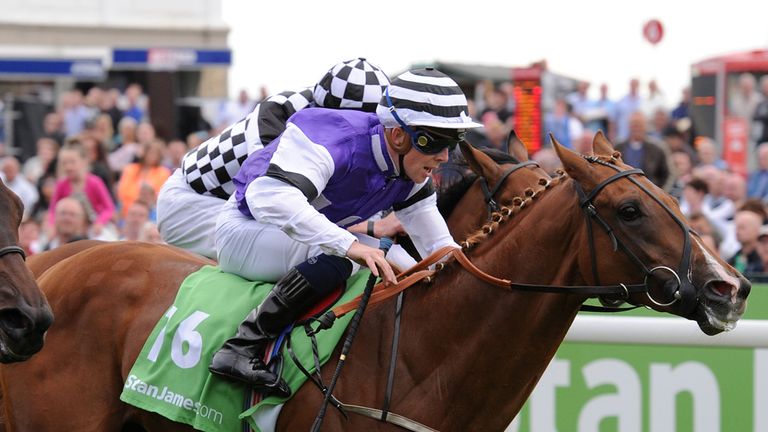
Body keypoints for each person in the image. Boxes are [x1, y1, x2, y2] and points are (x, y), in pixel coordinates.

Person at [208, 68, 481, 395]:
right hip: (245, 230)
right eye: (437, 141)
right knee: (348, 257)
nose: (444, 156)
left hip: (292, 237)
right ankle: (242, 346)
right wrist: (350, 245)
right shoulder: (334, 139)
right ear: (399, 136)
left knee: (406, 269)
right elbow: (270, 198)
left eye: (454, 142)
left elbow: (439, 249)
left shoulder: (410, 172)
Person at [157, 58, 390, 259]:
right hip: (192, 204)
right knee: (319, 250)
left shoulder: (323, 115)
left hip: (227, 203)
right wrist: (372, 226)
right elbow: (277, 203)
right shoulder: (279, 116)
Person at [614, 111, 671, 189]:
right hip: (623, 193)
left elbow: (669, 174)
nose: (636, 128)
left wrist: (661, 194)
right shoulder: (617, 147)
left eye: (639, 125)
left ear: (645, 126)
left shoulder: (657, 148)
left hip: (650, 194)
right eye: (634, 125)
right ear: (628, 126)